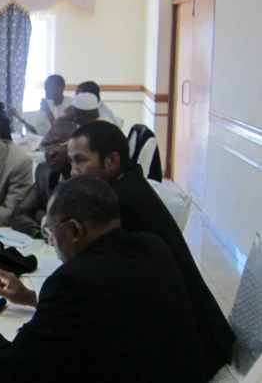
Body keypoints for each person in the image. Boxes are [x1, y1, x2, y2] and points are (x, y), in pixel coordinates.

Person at [0, 175, 206, 383]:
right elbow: (108, 307)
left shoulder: (73, 281)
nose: (53, 243)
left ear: (75, 230)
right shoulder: (153, 245)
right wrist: (31, 298)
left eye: (52, 234)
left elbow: (13, 372)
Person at [68, 121, 234, 379]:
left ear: (112, 161)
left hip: (194, 348)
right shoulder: (128, 185)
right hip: (197, 332)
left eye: (80, 161)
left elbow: (99, 279)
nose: (73, 172)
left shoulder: (122, 204)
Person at [9, 122, 78, 238]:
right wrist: (43, 230)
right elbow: (19, 214)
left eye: (57, 144)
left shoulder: (89, 176)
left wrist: (42, 216)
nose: (50, 153)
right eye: (46, 146)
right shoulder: (44, 173)